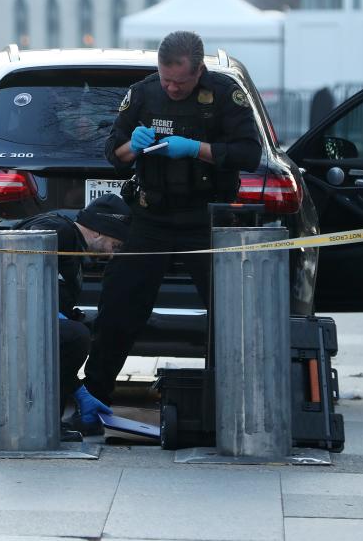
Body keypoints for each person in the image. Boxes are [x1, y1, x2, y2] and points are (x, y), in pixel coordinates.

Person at [83, 30, 262, 410]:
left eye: (180, 81)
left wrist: (197, 149)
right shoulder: (144, 93)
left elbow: (249, 153)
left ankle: (234, 399)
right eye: (166, 79)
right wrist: (134, 144)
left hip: (207, 219)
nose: (172, 88)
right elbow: (113, 154)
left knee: (229, 312)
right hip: (152, 217)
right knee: (119, 306)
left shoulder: (225, 94)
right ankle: (94, 397)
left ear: (199, 70)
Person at [0, 194, 132, 442]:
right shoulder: (59, 231)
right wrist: (79, 391)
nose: (112, 255)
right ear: (99, 231)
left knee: (70, 330)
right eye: (115, 245)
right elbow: (14, 273)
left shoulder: (66, 237)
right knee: (75, 337)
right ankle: (47, 424)